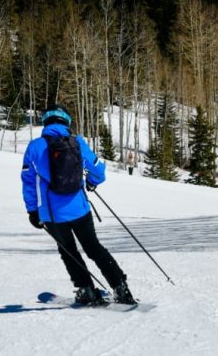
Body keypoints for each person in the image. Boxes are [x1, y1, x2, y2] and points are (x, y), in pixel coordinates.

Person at [21, 105, 136, 305]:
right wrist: (91, 182)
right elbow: (99, 171)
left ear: (46, 122)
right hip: (79, 209)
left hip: (52, 214)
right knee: (94, 248)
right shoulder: (78, 143)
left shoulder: (35, 147)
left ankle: (86, 290)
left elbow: (28, 182)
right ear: (67, 122)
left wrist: (32, 211)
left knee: (69, 253)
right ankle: (120, 287)